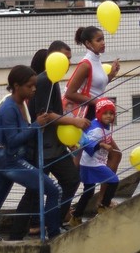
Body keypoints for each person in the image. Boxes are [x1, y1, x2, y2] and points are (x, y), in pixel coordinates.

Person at [0, 66, 61, 241]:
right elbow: (12, 140)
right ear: (16, 86)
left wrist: (34, 126)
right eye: (29, 86)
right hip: (9, 161)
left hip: (4, 161)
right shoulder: (9, 108)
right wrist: (35, 125)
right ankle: (55, 235)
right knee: (54, 190)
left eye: (34, 85)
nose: (34, 89)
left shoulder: (19, 105)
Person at [9, 42, 88, 240]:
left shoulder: (53, 80)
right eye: (65, 57)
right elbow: (45, 115)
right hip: (41, 147)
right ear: (53, 57)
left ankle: (54, 223)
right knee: (34, 191)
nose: (68, 62)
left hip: (56, 146)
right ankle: (17, 235)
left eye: (70, 58)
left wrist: (67, 137)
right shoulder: (44, 80)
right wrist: (75, 121)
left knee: (71, 179)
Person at [64, 26, 122, 200]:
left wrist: (111, 75)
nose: (103, 43)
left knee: (113, 155)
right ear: (88, 43)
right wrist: (96, 102)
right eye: (98, 40)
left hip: (96, 116)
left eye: (103, 39)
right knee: (79, 162)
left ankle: (102, 200)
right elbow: (70, 93)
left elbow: (96, 87)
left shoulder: (96, 60)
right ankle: (68, 207)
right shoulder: (85, 64)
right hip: (86, 117)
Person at [70, 98, 120, 224]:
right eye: (105, 113)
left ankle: (76, 217)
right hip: (92, 164)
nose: (108, 116)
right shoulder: (97, 129)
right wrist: (102, 145)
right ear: (98, 114)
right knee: (113, 180)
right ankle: (103, 206)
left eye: (111, 113)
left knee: (88, 192)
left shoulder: (101, 125)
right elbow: (87, 145)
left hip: (88, 163)